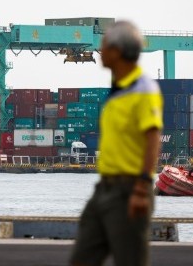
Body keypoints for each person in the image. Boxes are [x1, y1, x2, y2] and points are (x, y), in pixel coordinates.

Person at [70, 21, 163, 266]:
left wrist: (142, 188)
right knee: (81, 260)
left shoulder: (143, 89)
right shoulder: (117, 90)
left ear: (117, 50)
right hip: (104, 188)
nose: (99, 50)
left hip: (129, 190)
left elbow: (153, 137)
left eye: (104, 45)